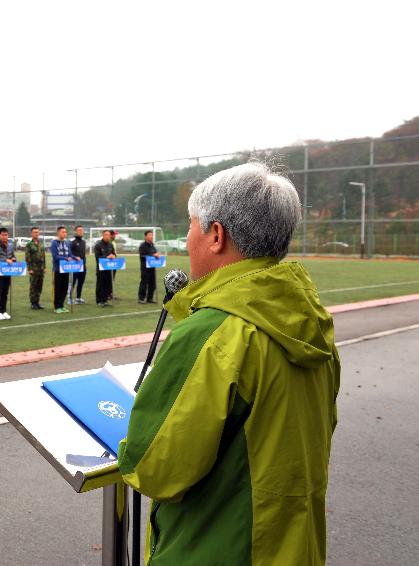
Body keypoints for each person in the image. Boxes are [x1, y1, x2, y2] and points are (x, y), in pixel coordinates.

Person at [117, 163, 340, 565]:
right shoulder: (311, 323)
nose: (187, 239)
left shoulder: (215, 331)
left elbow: (157, 469)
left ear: (215, 235)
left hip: (218, 549)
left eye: (191, 226)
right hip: (294, 546)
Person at [49, 226, 74, 314]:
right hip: (57, 270)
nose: (64, 233)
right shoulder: (54, 243)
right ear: (58, 233)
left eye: (65, 232)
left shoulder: (67, 243)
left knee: (64, 288)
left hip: (66, 269)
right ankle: (56, 307)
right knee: (57, 288)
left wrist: (75, 258)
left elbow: (70, 254)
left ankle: (62, 305)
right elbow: (55, 257)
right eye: (63, 232)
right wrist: (65, 258)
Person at [25, 227, 46, 310]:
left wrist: (44, 267)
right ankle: (33, 303)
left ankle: (37, 302)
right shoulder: (29, 244)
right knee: (33, 286)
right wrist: (29, 268)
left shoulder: (41, 244)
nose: (36, 234)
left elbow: (43, 257)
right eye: (34, 232)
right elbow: (27, 257)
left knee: (39, 286)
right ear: (31, 233)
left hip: (40, 269)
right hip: (33, 269)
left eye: (37, 232)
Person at [93, 229, 115, 307]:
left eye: (108, 235)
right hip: (101, 269)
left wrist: (113, 256)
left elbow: (114, 254)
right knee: (100, 284)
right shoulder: (98, 245)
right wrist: (107, 257)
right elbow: (97, 257)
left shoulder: (110, 245)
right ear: (103, 235)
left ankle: (105, 300)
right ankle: (99, 300)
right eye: (106, 235)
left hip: (109, 268)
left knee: (108, 284)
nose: (107, 237)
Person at [138, 229, 161, 303]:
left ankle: (150, 298)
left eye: (152, 235)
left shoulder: (152, 246)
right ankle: (141, 298)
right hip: (145, 268)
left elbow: (155, 253)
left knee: (152, 284)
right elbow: (142, 255)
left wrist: (157, 255)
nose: (151, 236)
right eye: (150, 235)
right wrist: (153, 255)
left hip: (153, 268)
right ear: (145, 236)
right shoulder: (142, 246)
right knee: (144, 283)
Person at [69, 225, 87, 305]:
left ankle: (78, 298)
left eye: (82, 230)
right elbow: (69, 253)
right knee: (72, 282)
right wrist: (74, 258)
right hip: (74, 266)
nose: (81, 232)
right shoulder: (72, 242)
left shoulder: (83, 242)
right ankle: (69, 298)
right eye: (79, 230)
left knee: (81, 282)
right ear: (75, 231)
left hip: (82, 266)